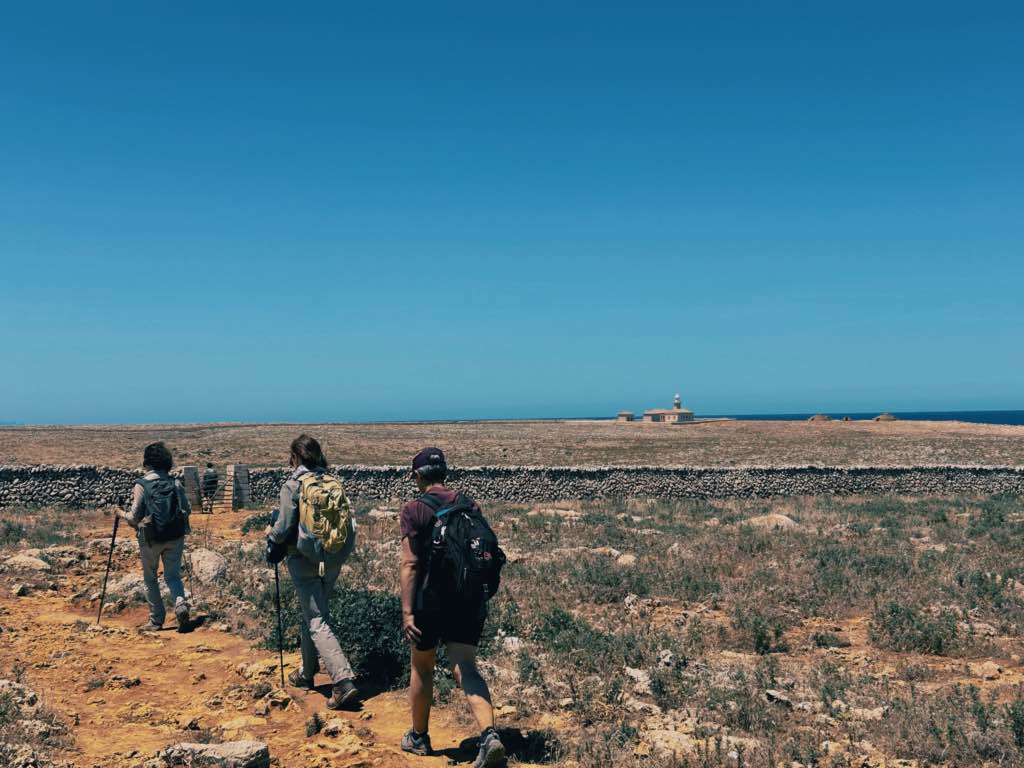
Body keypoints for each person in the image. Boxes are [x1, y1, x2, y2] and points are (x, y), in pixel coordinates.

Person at [399, 447, 506, 768]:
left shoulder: (414, 510)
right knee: (466, 667)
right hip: (468, 597)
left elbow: (410, 564)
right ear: (445, 473)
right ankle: (489, 735)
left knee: (422, 665)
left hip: (430, 600)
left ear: (417, 476)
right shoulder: (469, 504)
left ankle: (418, 736)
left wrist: (407, 612)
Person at [267, 434, 359, 710]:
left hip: (303, 559)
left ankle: (342, 682)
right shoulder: (331, 481)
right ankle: (307, 673)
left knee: (316, 619)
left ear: (295, 457)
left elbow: (283, 529)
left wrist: (270, 537)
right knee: (314, 613)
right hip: (331, 558)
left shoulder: (293, 484)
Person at [121, 442, 192, 632]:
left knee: (150, 578)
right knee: (173, 576)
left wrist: (121, 514)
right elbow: (188, 510)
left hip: (150, 539)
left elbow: (135, 517)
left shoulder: (141, 485)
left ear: (147, 462)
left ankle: (156, 620)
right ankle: (180, 604)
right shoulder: (175, 483)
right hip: (175, 536)